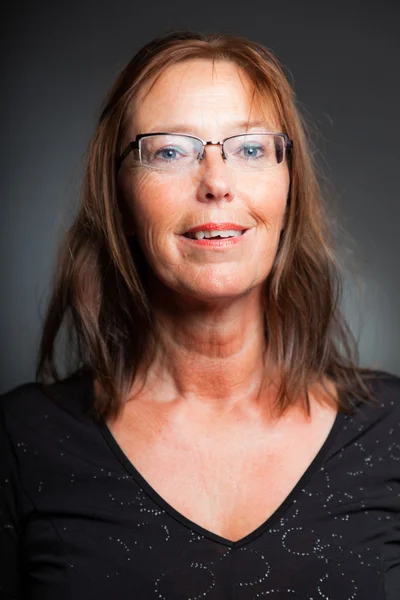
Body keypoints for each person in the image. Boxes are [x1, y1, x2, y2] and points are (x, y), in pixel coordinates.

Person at [0, 30, 399, 600]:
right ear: (120, 197)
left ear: (289, 189)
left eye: (250, 148)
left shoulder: (391, 431)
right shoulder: (22, 440)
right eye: (170, 151)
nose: (216, 183)